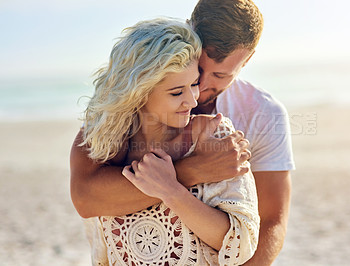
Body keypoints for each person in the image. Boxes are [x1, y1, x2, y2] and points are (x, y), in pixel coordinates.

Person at [71, 0, 295, 265]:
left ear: (247, 60)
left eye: (221, 75)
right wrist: (192, 171)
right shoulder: (130, 105)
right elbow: (86, 196)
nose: (202, 86)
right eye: (199, 69)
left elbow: (270, 222)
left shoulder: (263, 114)